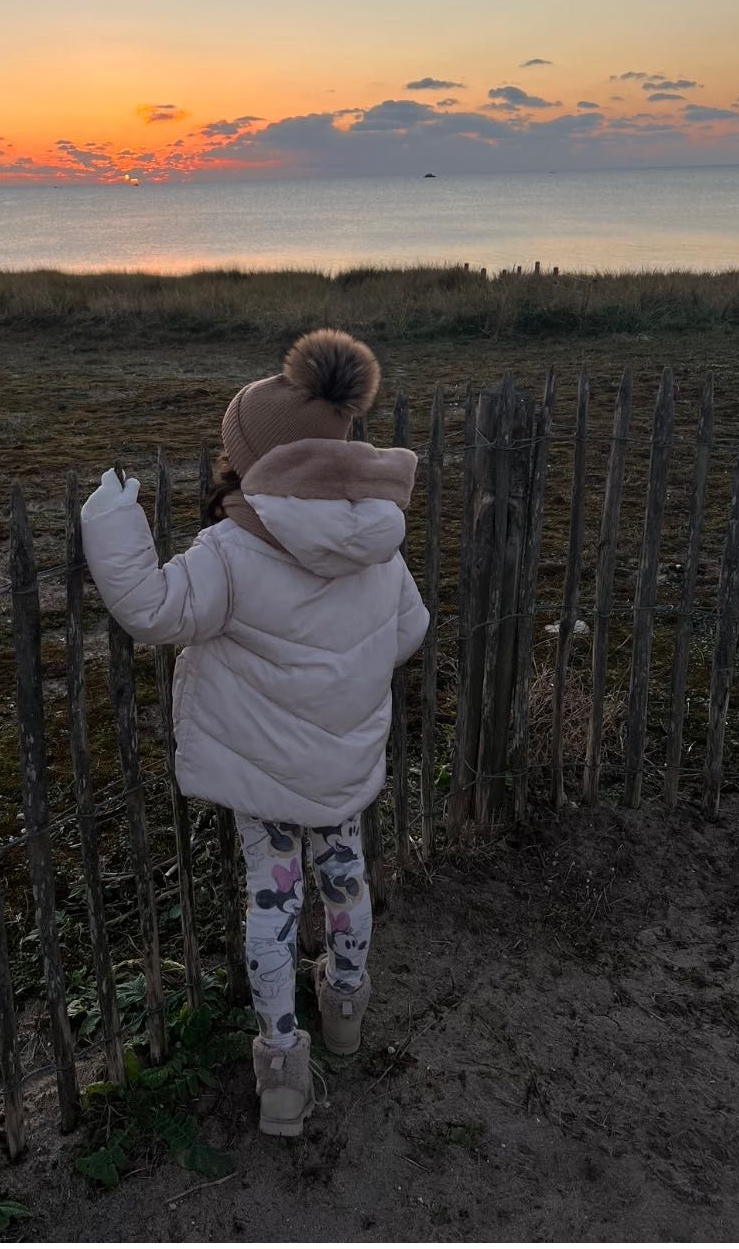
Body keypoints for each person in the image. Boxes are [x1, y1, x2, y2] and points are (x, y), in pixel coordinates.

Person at [81, 327, 429, 1136]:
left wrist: (112, 520)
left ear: (254, 462)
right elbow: (407, 630)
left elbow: (154, 610)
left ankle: (281, 1071)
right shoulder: (377, 543)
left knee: (271, 904)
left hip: (264, 775)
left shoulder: (231, 552)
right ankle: (345, 1013)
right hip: (341, 764)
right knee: (345, 878)